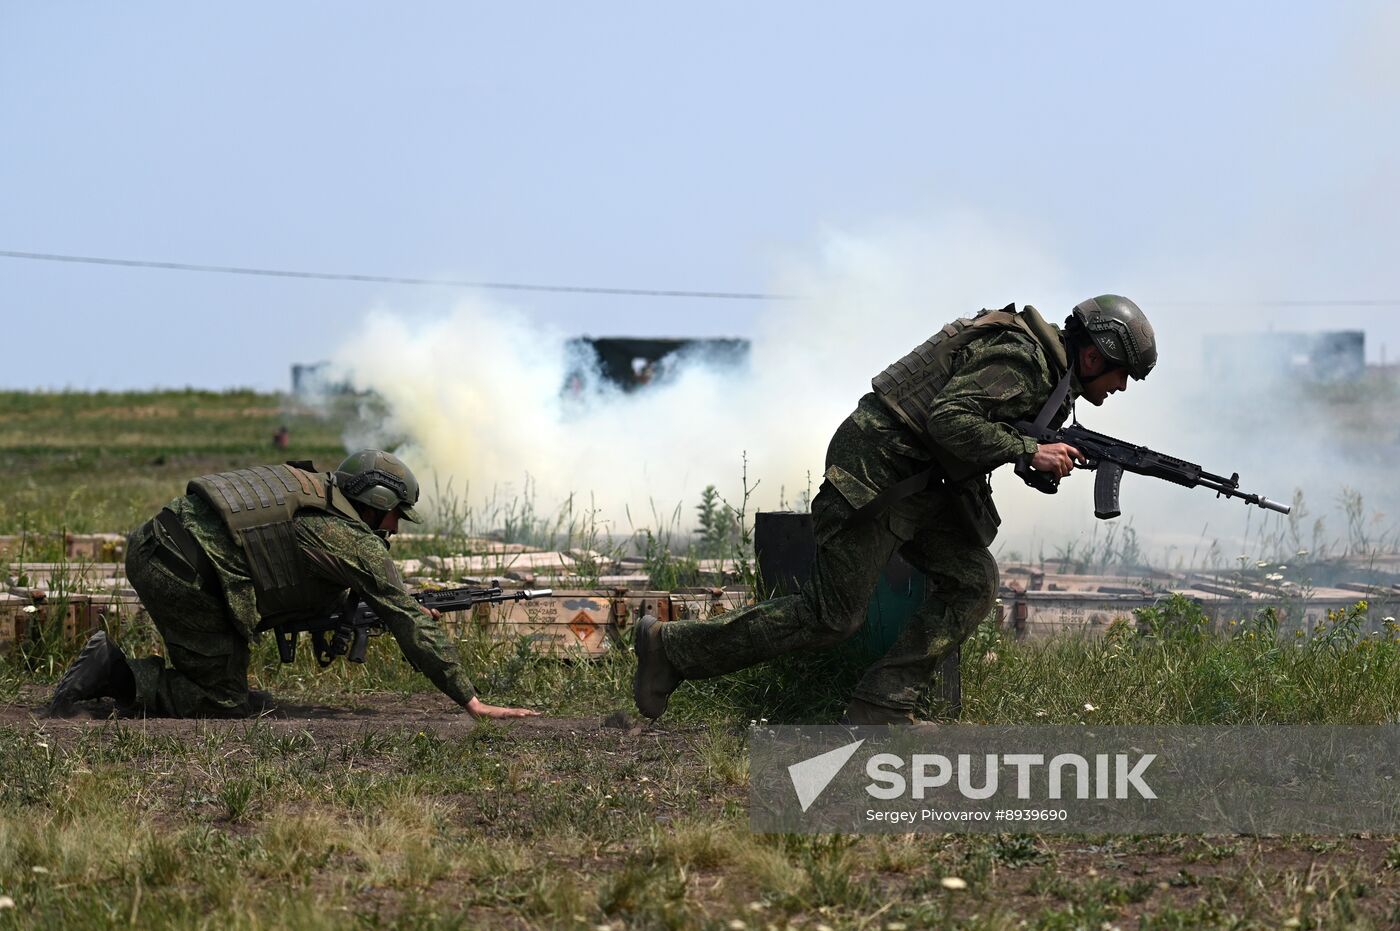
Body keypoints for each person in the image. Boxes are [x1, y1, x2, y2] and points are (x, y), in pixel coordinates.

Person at [633, 295, 1157, 724]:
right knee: (832, 617)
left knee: (972, 579)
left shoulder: (1051, 378)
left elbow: (980, 433)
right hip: (877, 472)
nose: (1120, 387)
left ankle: (883, 702)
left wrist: (1034, 457)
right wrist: (1028, 450)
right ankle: (671, 651)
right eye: (1121, 374)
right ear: (1094, 356)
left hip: (920, 483)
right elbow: (950, 419)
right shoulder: (1022, 359)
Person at [48, 449, 538, 720]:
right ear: (376, 501)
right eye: (393, 516)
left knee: (226, 684)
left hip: (157, 544)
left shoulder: (318, 494)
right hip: (184, 572)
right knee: (223, 702)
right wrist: (470, 700)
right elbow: (404, 615)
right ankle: (111, 671)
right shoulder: (346, 537)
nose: (394, 528)